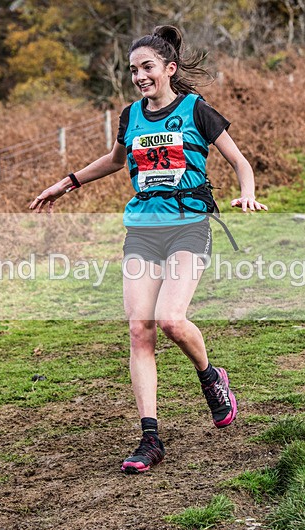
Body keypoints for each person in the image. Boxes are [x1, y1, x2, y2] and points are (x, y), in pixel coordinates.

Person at [29, 25, 268, 474]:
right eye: (133, 69)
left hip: (188, 227)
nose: (139, 76)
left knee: (171, 320)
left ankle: (210, 376)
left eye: (148, 68)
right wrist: (67, 183)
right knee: (141, 330)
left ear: (169, 69)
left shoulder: (197, 110)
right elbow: (116, 161)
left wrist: (247, 192)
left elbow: (239, 161)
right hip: (141, 230)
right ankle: (150, 439)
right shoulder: (131, 116)